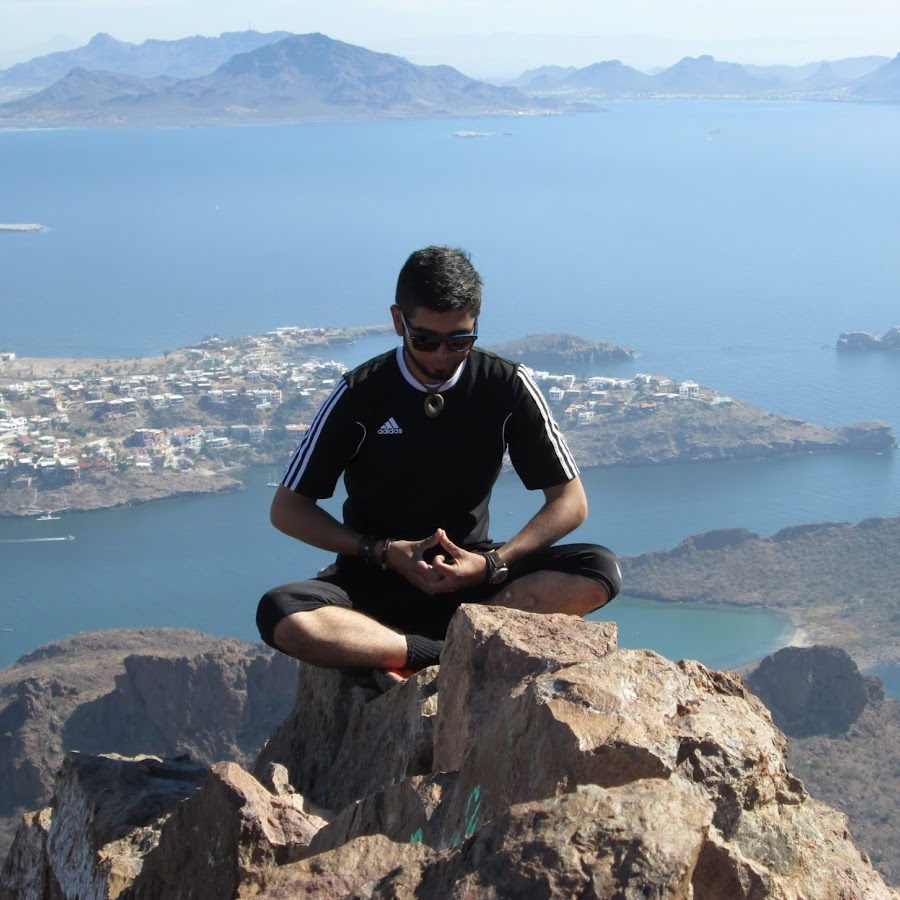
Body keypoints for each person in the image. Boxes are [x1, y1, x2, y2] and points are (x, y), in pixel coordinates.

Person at [256, 246, 621, 680]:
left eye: (460, 340)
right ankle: (446, 650)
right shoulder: (361, 393)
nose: (442, 355)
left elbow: (570, 501)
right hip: (373, 580)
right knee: (282, 612)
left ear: (477, 320)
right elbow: (288, 509)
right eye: (426, 340)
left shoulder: (505, 386)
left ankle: (410, 652)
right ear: (399, 322)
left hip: (474, 581)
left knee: (599, 569)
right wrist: (383, 551)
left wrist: (491, 564)